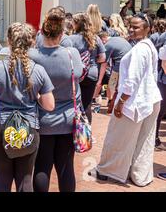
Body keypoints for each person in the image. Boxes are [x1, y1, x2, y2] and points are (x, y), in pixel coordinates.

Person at [0, 22, 55, 192]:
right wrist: (35, 97)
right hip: (29, 127)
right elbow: (50, 105)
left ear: (8, 41)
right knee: (25, 179)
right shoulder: (38, 70)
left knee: (3, 178)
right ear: (32, 43)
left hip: (1, 126)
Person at [93, 13, 162, 187]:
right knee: (144, 141)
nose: (131, 29)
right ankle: (140, 175)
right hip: (150, 99)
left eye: (136, 27)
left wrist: (121, 102)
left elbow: (132, 79)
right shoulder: (148, 46)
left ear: (147, 29)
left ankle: (107, 171)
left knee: (117, 138)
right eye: (130, 25)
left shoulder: (140, 49)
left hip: (135, 102)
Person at [29, 7, 83, 192]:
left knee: (42, 167)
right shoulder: (72, 54)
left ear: (41, 32)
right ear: (62, 33)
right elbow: (80, 75)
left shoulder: (32, 56)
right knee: (66, 168)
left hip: (42, 120)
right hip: (68, 121)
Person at [69, 13, 106, 124]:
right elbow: (102, 57)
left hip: (76, 74)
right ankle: (86, 134)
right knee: (87, 104)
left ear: (76, 24)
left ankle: (74, 133)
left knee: (74, 103)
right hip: (91, 74)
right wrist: (92, 60)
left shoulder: (71, 39)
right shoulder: (95, 38)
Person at [96, 31, 132, 111]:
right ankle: (113, 102)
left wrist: (99, 80)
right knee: (120, 86)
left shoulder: (107, 45)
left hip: (121, 64)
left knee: (110, 86)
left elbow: (103, 64)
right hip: (130, 63)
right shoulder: (117, 39)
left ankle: (111, 104)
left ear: (103, 39)